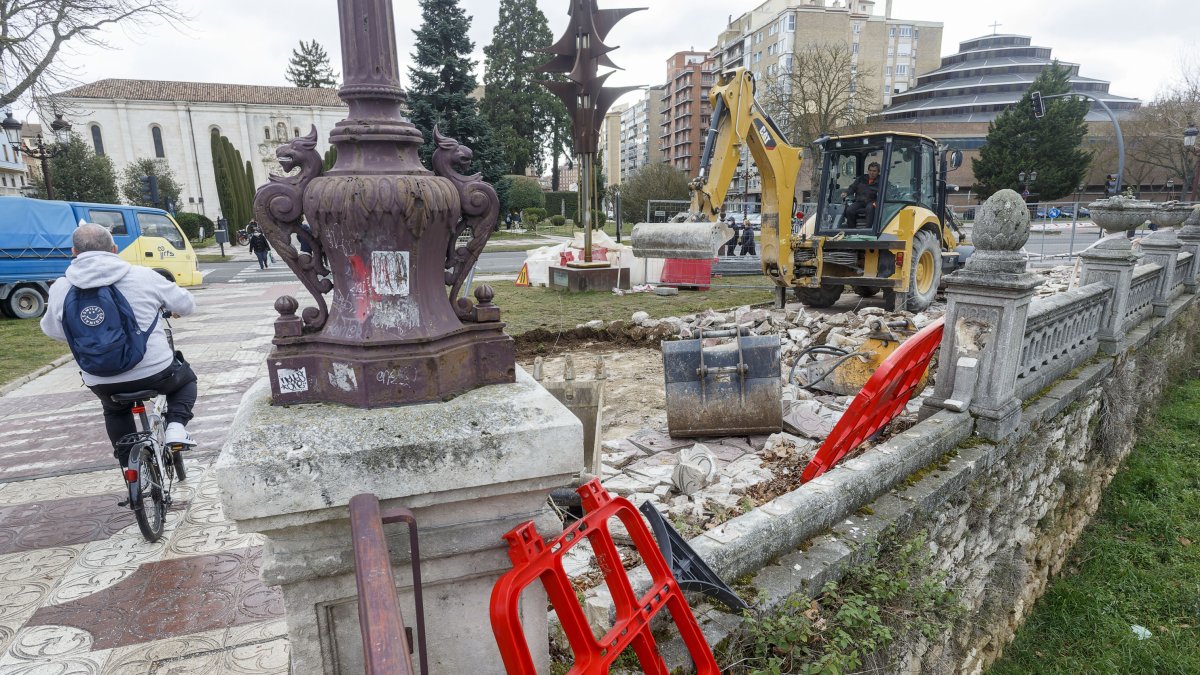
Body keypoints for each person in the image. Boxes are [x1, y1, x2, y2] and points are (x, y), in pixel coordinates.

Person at [40, 223, 198, 469]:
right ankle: (176, 428)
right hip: (154, 371)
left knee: (114, 409)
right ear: (115, 249)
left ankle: (129, 468)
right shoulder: (143, 275)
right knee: (186, 381)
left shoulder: (62, 286)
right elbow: (187, 305)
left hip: (100, 377)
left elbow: (53, 330)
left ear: (73, 251)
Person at [843, 161, 881, 228]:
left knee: (870, 208)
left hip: (872, 201)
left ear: (878, 172)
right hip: (860, 201)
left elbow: (889, 190)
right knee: (849, 210)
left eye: (874, 171)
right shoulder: (861, 179)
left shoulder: (881, 180)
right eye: (870, 170)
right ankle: (852, 230)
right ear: (868, 171)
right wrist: (846, 193)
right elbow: (852, 187)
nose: (872, 173)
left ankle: (868, 230)